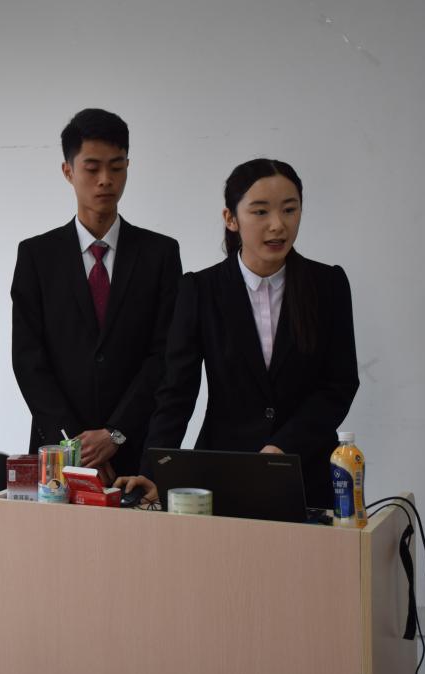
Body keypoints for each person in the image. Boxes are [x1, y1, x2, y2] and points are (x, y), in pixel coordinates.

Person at [121, 158, 360, 508]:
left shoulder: (328, 285)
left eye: (289, 210)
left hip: (308, 473)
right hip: (220, 475)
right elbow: (176, 392)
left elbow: (339, 384)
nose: (278, 225)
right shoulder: (200, 290)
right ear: (231, 219)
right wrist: (153, 470)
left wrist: (283, 446)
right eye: (260, 212)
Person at [11, 108, 182, 479]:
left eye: (117, 167)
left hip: (136, 450)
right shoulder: (37, 256)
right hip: (59, 453)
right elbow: (28, 360)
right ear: (68, 171)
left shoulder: (160, 254)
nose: (106, 180)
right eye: (92, 168)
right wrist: (77, 445)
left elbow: (164, 355)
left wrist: (115, 434)